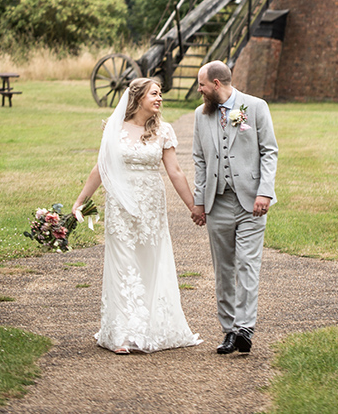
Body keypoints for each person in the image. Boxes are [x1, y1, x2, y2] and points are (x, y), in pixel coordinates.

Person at [72, 77, 202, 354]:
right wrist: (81, 200)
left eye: (160, 95)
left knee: (150, 261)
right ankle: (120, 333)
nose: (159, 99)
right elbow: (100, 168)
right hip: (120, 205)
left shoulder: (163, 131)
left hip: (151, 206)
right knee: (122, 262)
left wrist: (193, 206)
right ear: (138, 97)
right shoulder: (114, 128)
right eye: (154, 94)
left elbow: (175, 172)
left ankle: (151, 327)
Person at [191, 60, 278, 355]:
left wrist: (265, 192)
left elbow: (269, 151)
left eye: (202, 84)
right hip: (218, 203)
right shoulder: (200, 115)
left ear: (216, 84)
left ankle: (244, 329)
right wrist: (200, 202)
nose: (199, 89)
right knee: (224, 269)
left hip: (252, 202)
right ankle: (228, 330)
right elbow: (200, 160)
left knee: (247, 265)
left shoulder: (255, 107)